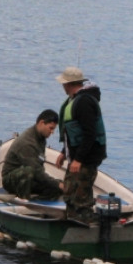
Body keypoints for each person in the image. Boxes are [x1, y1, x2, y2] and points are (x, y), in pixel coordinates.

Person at [54, 66, 107, 224]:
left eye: (63, 83)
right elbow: (72, 133)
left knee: (81, 197)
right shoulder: (74, 100)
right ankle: (72, 220)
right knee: (70, 192)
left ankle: (85, 225)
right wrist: (64, 152)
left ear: (68, 84)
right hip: (76, 156)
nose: (62, 86)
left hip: (86, 158)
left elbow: (89, 134)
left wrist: (78, 159)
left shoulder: (84, 102)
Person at [1, 110, 65, 200]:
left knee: (57, 186)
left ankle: (39, 201)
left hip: (32, 177)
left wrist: (58, 185)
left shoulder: (41, 138)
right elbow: (36, 171)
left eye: (53, 129)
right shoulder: (27, 143)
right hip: (13, 180)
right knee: (29, 171)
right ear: (42, 123)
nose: (52, 132)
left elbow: (40, 167)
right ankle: (23, 200)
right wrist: (57, 184)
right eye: (51, 128)